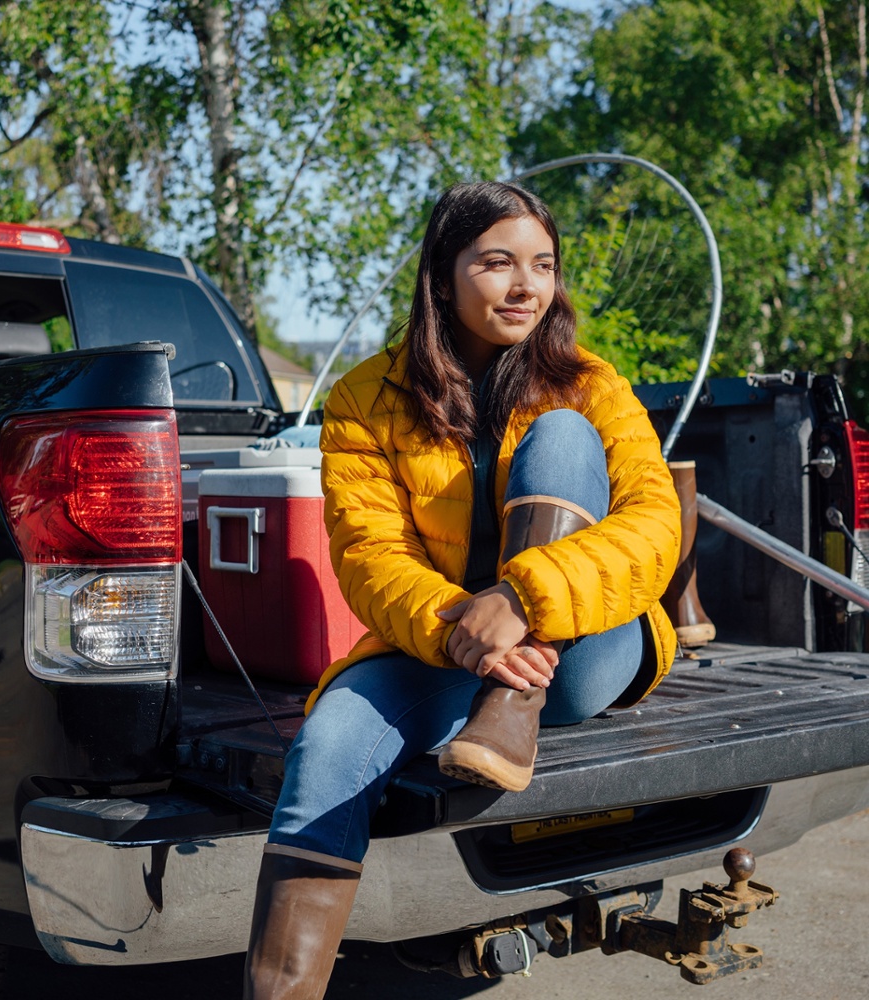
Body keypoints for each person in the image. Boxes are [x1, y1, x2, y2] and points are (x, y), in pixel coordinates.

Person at [242, 181, 682, 999]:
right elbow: (371, 557)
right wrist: (459, 625)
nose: (526, 286)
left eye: (543, 265)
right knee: (330, 743)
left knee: (563, 438)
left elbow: (656, 526)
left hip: (585, 646)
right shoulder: (365, 400)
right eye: (497, 263)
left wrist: (523, 601)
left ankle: (511, 713)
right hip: (444, 643)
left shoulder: (589, 383)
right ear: (442, 277)